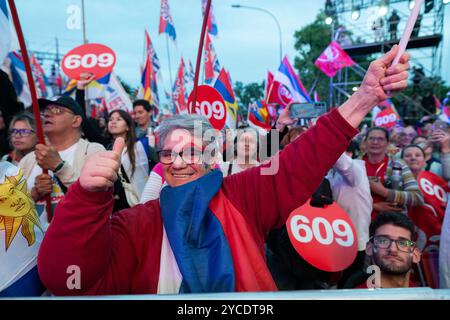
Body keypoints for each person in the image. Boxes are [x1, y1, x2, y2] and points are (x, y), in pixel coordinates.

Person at [37, 46, 410, 295]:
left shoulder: (243, 197)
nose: (179, 161)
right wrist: (86, 197)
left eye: (191, 151)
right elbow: (66, 279)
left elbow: (300, 161)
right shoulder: (138, 224)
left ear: (214, 156)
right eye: (168, 153)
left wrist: (363, 98)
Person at [19, 96, 105, 228]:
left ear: (76, 121)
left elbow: (96, 200)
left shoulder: (94, 151)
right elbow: (10, 207)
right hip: (34, 245)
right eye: (45, 111)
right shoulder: (29, 160)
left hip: (75, 241)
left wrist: (59, 167)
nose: (47, 114)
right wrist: (35, 193)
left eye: (57, 110)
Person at [362, 127, 423, 219]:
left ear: (388, 143)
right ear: (365, 142)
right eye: (371, 138)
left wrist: (384, 192)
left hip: (392, 223)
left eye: (380, 139)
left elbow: (417, 198)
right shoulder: (355, 165)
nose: (375, 142)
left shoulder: (398, 164)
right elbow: (342, 198)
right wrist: (373, 206)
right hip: (361, 222)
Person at [354, 212, 421, 288]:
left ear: (416, 255)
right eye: (383, 241)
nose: (393, 249)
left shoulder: (427, 296)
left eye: (402, 243)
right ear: (369, 248)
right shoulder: (355, 298)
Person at [107, 109, 149, 211]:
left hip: (135, 203)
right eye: (110, 119)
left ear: (127, 127)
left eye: (118, 119)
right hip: (114, 206)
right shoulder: (106, 148)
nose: (113, 122)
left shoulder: (139, 147)